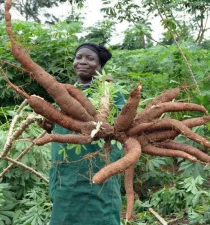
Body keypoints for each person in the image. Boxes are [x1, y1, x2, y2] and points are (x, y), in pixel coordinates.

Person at [48, 43, 125, 225]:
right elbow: (61, 125)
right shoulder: (64, 93)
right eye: (79, 57)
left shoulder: (111, 92)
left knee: (100, 210)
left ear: (100, 66)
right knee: (64, 213)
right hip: (65, 169)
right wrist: (48, 123)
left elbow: (121, 128)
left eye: (90, 59)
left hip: (97, 165)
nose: (82, 62)